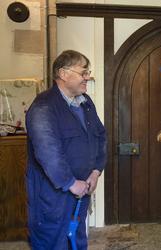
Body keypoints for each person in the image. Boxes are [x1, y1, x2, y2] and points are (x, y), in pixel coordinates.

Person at [25, 50, 107, 250]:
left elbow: (100, 137)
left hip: (82, 189)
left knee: (77, 239)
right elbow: (47, 151)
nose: (87, 77)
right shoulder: (43, 106)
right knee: (53, 241)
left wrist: (96, 172)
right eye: (83, 72)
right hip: (53, 195)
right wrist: (70, 183)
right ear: (63, 73)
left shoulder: (86, 103)